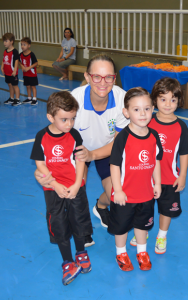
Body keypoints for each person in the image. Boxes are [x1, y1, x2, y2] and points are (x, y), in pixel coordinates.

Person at [35, 54, 129, 246]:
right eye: (96, 77)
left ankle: (101, 206)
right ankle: (81, 229)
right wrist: (42, 169)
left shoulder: (123, 100)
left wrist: (93, 154)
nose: (102, 83)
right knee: (75, 189)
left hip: (107, 149)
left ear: (115, 78)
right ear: (87, 77)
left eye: (108, 77)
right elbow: (52, 139)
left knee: (118, 196)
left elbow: (119, 144)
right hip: (77, 150)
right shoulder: (73, 101)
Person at [30, 91, 93, 286]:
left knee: (78, 220)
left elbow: (80, 159)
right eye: (64, 119)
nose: (69, 124)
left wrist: (76, 184)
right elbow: (40, 164)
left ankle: (81, 250)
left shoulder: (74, 135)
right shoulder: (41, 136)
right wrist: (55, 185)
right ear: (50, 117)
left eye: (73, 118)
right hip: (53, 190)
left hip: (75, 187)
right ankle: (67, 261)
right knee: (58, 223)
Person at [130, 77, 188, 254]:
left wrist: (182, 176)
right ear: (154, 100)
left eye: (173, 100)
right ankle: (142, 231)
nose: (168, 104)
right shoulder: (147, 122)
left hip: (169, 179)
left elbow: (184, 152)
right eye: (163, 99)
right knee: (144, 207)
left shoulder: (181, 126)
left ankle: (162, 235)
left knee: (166, 210)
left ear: (178, 101)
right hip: (146, 177)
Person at [108, 87, 163, 272]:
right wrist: (118, 190)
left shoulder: (154, 136)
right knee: (121, 227)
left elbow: (156, 161)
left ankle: (142, 252)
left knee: (142, 225)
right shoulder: (122, 138)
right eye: (136, 109)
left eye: (147, 109)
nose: (143, 113)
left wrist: (157, 183)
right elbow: (114, 165)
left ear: (153, 109)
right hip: (125, 195)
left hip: (146, 194)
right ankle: (121, 252)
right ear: (126, 112)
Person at [1, 33, 21, 106]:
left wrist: (15, 70)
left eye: (6, 41)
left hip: (12, 72)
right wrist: (2, 67)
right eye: (4, 41)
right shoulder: (5, 51)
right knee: (10, 85)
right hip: (7, 72)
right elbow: (4, 59)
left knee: (15, 85)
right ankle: (11, 98)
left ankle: (17, 99)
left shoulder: (14, 51)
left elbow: (16, 61)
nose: (4, 43)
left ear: (11, 41)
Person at [19, 37, 38, 106]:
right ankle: (29, 98)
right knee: (27, 86)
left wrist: (29, 67)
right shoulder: (21, 54)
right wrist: (22, 66)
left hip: (32, 73)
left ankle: (34, 99)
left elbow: (36, 63)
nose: (22, 46)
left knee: (33, 86)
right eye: (21, 44)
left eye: (24, 44)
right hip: (25, 74)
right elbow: (18, 61)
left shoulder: (31, 54)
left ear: (29, 45)